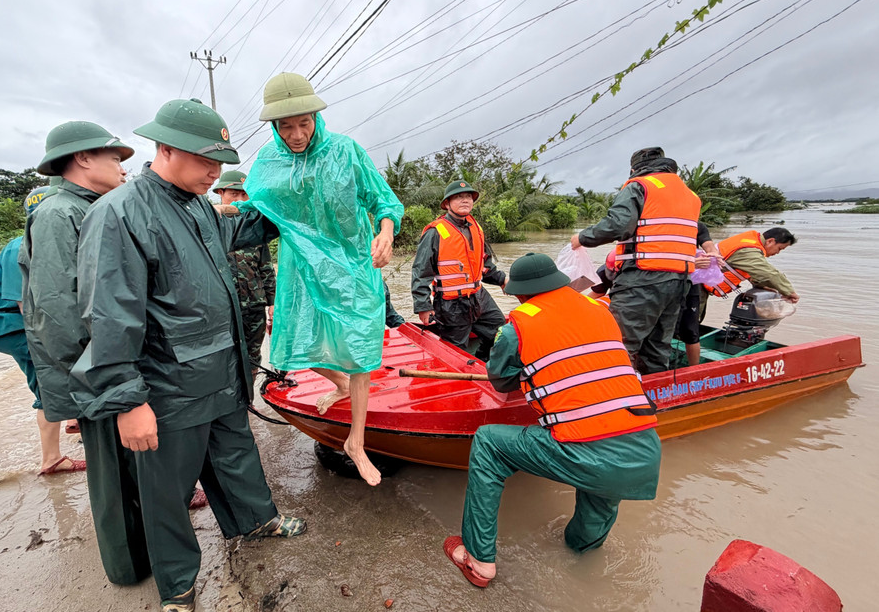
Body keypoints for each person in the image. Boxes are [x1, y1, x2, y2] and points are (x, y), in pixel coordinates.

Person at [71, 98, 305, 612]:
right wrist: (129, 402)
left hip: (221, 369)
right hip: (168, 384)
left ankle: (256, 520)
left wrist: (286, 205)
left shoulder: (199, 204)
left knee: (237, 454)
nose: (215, 172)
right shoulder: (120, 213)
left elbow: (235, 231)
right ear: (166, 149)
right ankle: (178, 584)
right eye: (205, 160)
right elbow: (109, 316)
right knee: (167, 491)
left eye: (220, 162)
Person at [443, 253, 661, 587]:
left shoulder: (517, 326)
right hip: (643, 450)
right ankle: (581, 559)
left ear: (520, 294)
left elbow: (501, 380)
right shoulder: (600, 310)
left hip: (586, 449)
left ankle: (478, 559)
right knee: (598, 497)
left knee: (488, 443)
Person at [238, 73, 403, 487]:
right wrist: (218, 210)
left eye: (304, 123)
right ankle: (340, 385)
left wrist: (385, 233)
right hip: (301, 267)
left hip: (352, 266)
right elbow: (253, 208)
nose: (296, 135)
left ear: (316, 118)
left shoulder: (345, 151)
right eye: (286, 126)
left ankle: (356, 442)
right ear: (274, 127)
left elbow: (384, 201)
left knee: (361, 350)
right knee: (294, 342)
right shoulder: (269, 162)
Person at [18, 121, 151, 585]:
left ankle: (147, 551)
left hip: (110, 366)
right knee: (112, 474)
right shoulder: (59, 214)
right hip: (95, 372)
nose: (123, 168)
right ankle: (128, 568)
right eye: (115, 158)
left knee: (132, 468)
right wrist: (109, 380)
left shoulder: (91, 207)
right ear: (82, 158)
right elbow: (59, 311)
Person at [0, 186, 86, 475]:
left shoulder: (36, 241)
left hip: (12, 324)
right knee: (49, 379)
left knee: (62, 371)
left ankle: (72, 419)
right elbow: (25, 304)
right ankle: (51, 458)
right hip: (9, 326)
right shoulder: (21, 246)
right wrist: (50, 342)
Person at [571, 147, 700, 374]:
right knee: (658, 346)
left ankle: (618, 392)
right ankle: (653, 389)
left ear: (634, 169)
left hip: (643, 278)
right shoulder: (690, 195)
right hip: (680, 282)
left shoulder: (639, 186)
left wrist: (581, 238)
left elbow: (618, 225)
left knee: (619, 344)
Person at [411, 179, 507, 360]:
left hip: (479, 297)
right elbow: (420, 272)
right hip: (451, 305)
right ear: (447, 204)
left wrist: (502, 279)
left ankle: (482, 363)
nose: (465, 200)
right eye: (458, 197)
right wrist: (423, 306)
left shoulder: (476, 228)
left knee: (501, 332)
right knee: (457, 352)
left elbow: (484, 265)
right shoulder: (435, 232)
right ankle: (465, 372)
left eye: (468, 196)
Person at [212, 170, 277, 378]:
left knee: (252, 356)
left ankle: (248, 393)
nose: (240, 200)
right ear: (221, 192)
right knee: (223, 358)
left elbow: (265, 269)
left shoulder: (254, 227)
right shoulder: (210, 224)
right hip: (223, 309)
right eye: (234, 193)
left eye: (245, 195)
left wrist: (273, 304)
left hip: (253, 306)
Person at [701, 226, 799, 312]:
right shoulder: (749, 250)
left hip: (699, 280)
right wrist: (789, 292)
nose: (777, 253)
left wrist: (761, 285)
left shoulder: (748, 241)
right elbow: (768, 273)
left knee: (695, 318)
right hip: (698, 285)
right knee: (693, 320)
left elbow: (752, 273)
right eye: (779, 248)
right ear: (770, 241)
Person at [675, 222, 722, 366]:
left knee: (691, 330)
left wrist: (714, 254)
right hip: (664, 281)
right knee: (660, 329)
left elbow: (708, 244)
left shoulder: (697, 226)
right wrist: (691, 263)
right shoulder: (661, 225)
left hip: (690, 283)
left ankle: (694, 370)